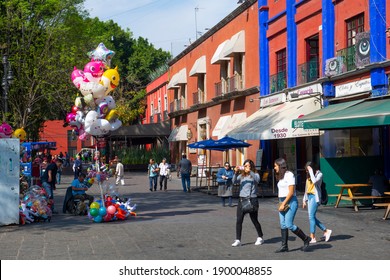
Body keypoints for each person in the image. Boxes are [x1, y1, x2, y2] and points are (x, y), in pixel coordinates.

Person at [274, 157, 310, 252]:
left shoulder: (289, 175)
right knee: (283, 224)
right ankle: (284, 246)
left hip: (290, 201)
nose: (274, 168)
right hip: (282, 201)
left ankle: (306, 239)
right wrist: (280, 203)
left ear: (281, 166)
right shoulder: (280, 176)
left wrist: (283, 203)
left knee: (289, 224)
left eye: (275, 166)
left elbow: (291, 192)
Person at [231, 159, 264, 247]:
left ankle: (260, 237)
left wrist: (250, 172)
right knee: (239, 220)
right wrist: (235, 172)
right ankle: (238, 239)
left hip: (252, 200)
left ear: (251, 166)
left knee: (254, 220)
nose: (246, 167)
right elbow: (234, 182)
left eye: (248, 166)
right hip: (242, 200)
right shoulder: (242, 176)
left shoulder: (255, 174)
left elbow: (257, 180)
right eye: (245, 166)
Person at [302, 161, 332, 244]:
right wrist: (304, 200)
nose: (307, 171)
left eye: (308, 169)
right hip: (309, 197)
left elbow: (314, 181)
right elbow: (306, 188)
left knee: (311, 216)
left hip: (315, 197)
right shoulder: (308, 175)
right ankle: (326, 231)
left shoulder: (319, 174)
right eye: (306, 170)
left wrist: (311, 171)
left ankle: (313, 237)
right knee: (312, 217)